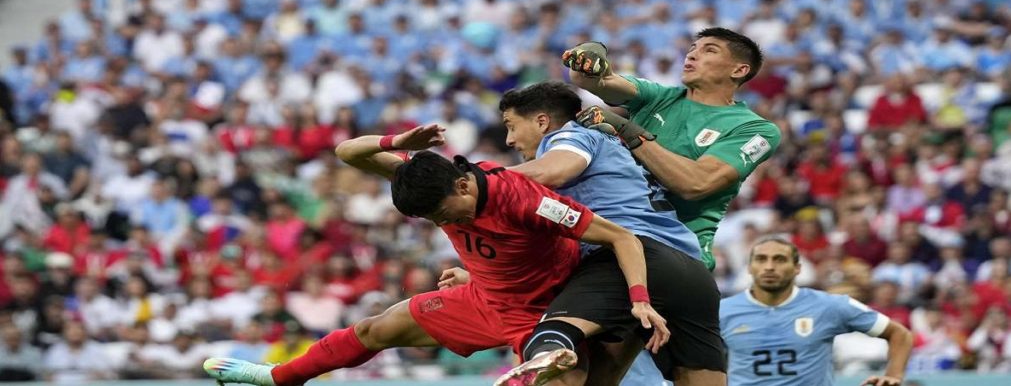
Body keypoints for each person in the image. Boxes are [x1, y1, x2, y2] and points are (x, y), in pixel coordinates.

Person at [203, 125, 668, 386]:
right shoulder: (433, 185)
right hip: (484, 301)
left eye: (443, 214)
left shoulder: (525, 199)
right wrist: (396, 144)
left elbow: (622, 238)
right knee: (374, 328)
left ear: (463, 185)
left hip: (545, 312)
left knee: (565, 383)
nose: (444, 223)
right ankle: (281, 378)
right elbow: (348, 152)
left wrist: (640, 298)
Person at [490, 82, 725, 386]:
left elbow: (554, 171)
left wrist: (479, 179)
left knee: (550, 338)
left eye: (511, 126)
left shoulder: (570, 136)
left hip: (629, 258)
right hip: (691, 273)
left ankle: (546, 351)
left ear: (542, 121)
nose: (509, 140)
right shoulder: (614, 147)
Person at [564, 27, 782, 271]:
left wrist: (630, 132)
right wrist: (589, 53)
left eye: (709, 50)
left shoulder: (755, 129)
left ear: (739, 70)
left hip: (679, 253)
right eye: (692, 49)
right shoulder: (658, 96)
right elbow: (595, 80)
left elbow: (695, 183)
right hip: (616, 240)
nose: (692, 55)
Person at [720, 237, 913, 386]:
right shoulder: (722, 311)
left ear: (797, 268)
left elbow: (899, 334)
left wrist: (893, 375)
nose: (769, 267)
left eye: (779, 260)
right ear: (749, 268)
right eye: (761, 260)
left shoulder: (830, 305)